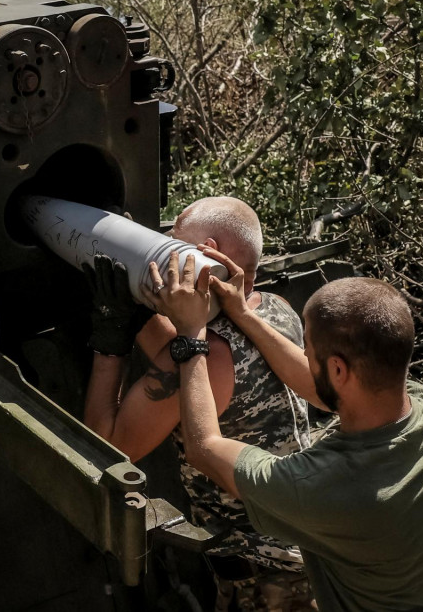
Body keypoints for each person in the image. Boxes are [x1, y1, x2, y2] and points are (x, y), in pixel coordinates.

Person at [144, 252, 423, 611]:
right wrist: (244, 314)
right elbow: (320, 389)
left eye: (306, 349)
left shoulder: (325, 487)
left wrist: (191, 334)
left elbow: (204, 447)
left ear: (339, 370)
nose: (304, 356)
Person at [82, 197, 314, 610]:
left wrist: (108, 343)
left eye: (173, 249)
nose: (165, 258)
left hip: (266, 584)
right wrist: (137, 302)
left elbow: (107, 447)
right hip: (301, 555)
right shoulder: (277, 311)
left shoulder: (210, 357)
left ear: (205, 255)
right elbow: (174, 350)